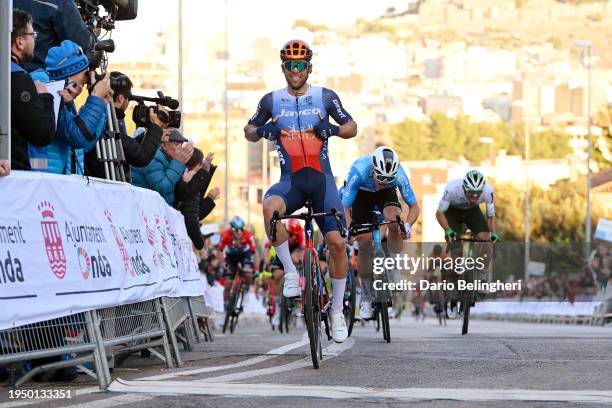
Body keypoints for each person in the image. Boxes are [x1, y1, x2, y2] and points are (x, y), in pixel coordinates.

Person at [244, 39, 358, 343]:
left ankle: (335, 312)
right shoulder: (271, 100)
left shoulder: (325, 96)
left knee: (335, 243)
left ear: (309, 68)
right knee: (269, 209)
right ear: (283, 68)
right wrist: (261, 130)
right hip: (290, 181)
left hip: (322, 182)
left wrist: (332, 129)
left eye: (300, 65)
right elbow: (248, 130)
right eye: (290, 65)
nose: (295, 70)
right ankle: (291, 274)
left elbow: (352, 127)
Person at [342, 146, 420, 320]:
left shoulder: (398, 174)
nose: (383, 181)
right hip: (362, 193)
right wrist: (349, 228)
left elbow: (414, 206)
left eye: (388, 178)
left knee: (394, 221)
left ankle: (393, 267)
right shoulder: (360, 170)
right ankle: (367, 297)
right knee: (364, 242)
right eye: (381, 177)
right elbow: (345, 206)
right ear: (373, 168)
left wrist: (407, 225)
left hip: (386, 196)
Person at [39, 40, 112, 174]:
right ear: (69, 73)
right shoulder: (48, 91)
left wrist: (101, 104)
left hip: (62, 180)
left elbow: (85, 143)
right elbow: (79, 136)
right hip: (46, 181)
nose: (86, 80)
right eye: (86, 74)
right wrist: (95, 98)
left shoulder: (65, 98)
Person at [436, 170, 499, 318]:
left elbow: (491, 216)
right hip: (452, 214)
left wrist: (493, 233)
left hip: (472, 213)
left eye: (477, 193)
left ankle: (482, 276)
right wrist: (447, 230)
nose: (474, 197)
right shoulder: (452, 189)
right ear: (464, 188)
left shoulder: (488, 191)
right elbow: (439, 213)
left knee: (487, 241)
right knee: (456, 254)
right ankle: (453, 297)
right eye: (471, 193)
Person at [85, 71, 167, 181]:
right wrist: (155, 126)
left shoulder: (93, 117)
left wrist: (153, 132)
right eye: (129, 98)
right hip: (107, 190)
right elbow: (141, 157)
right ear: (121, 98)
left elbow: (127, 147)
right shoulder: (107, 124)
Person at [10, 9, 56, 171]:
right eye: (33, 35)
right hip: (14, 174)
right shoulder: (17, 77)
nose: (35, 40)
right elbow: (42, 133)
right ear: (20, 42)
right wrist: (45, 97)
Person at [13, 0, 97, 72]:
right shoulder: (59, 3)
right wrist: (92, 37)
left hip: (9, 74)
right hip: (44, 80)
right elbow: (81, 42)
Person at [173, 147, 221, 250]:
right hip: (175, 239)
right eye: (202, 164)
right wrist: (200, 243)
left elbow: (193, 211)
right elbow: (191, 218)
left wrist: (209, 199)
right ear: (197, 166)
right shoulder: (188, 183)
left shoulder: (183, 178)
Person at [131, 128, 193, 205]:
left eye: (181, 145)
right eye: (177, 144)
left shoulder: (168, 160)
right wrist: (178, 163)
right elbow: (160, 188)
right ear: (164, 145)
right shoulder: (154, 157)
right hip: (145, 208)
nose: (180, 149)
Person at [269, 218, 305, 327]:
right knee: (276, 276)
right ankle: (277, 307)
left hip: (296, 251)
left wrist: (299, 260)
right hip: (283, 251)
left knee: (297, 259)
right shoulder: (282, 233)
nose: (290, 237)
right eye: (288, 234)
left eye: (292, 235)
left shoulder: (301, 236)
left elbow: (302, 253)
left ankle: (300, 291)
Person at [218, 216, 259, 305]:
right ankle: (226, 305)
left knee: (247, 273)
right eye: (236, 229)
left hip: (245, 255)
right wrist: (221, 263)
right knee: (228, 284)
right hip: (231, 256)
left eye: (241, 229)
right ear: (231, 228)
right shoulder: (225, 234)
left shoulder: (248, 235)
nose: (239, 232)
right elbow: (220, 250)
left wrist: (256, 269)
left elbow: (255, 253)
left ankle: (246, 292)